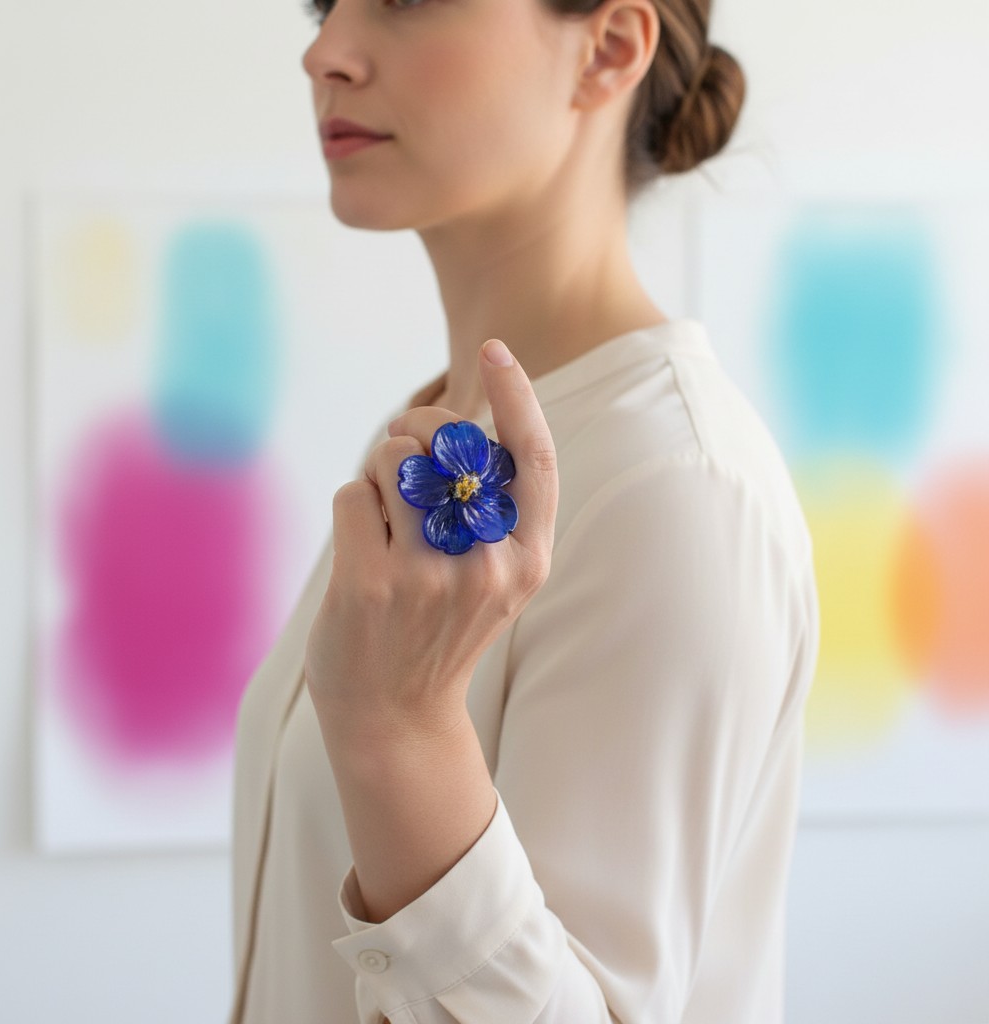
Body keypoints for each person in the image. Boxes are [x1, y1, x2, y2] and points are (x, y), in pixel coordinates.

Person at [228, 0, 819, 1021]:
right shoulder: (424, 437)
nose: (323, 52)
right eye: (327, 4)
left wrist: (398, 732)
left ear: (608, 49)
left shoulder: (672, 488)